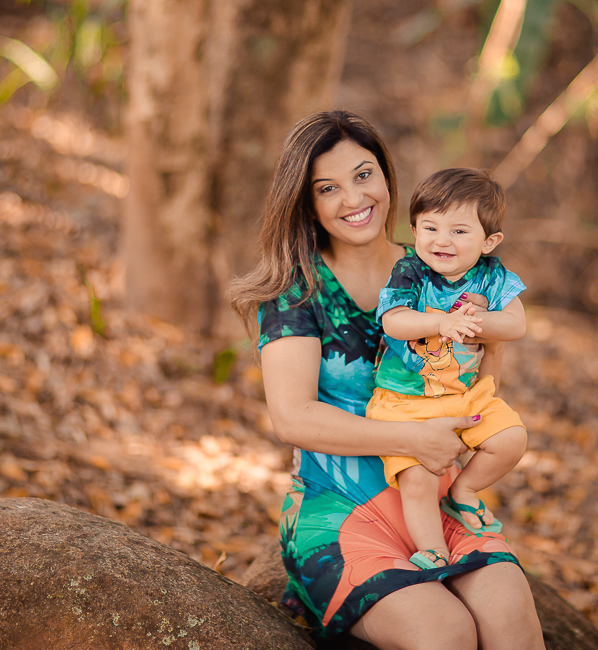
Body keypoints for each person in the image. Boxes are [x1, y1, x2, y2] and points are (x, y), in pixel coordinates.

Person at [230, 111, 544, 650]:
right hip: (339, 509)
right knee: (444, 633)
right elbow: (292, 417)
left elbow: (484, 365)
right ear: (306, 203)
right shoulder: (295, 292)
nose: (353, 198)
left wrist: (478, 398)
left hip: (437, 499)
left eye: (364, 174)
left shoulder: (439, 265)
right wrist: (412, 439)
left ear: (386, 176)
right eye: (327, 188)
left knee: (508, 614)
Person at [368, 167, 529, 572]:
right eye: (430, 227)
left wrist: (478, 320)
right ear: (414, 229)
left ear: (488, 241)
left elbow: (516, 325)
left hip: (466, 395)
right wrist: (441, 323)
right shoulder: (410, 272)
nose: (442, 240)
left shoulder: (492, 277)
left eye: (459, 231)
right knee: (417, 480)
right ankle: (433, 549)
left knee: (511, 438)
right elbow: (393, 322)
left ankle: (464, 490)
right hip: (405, 400)